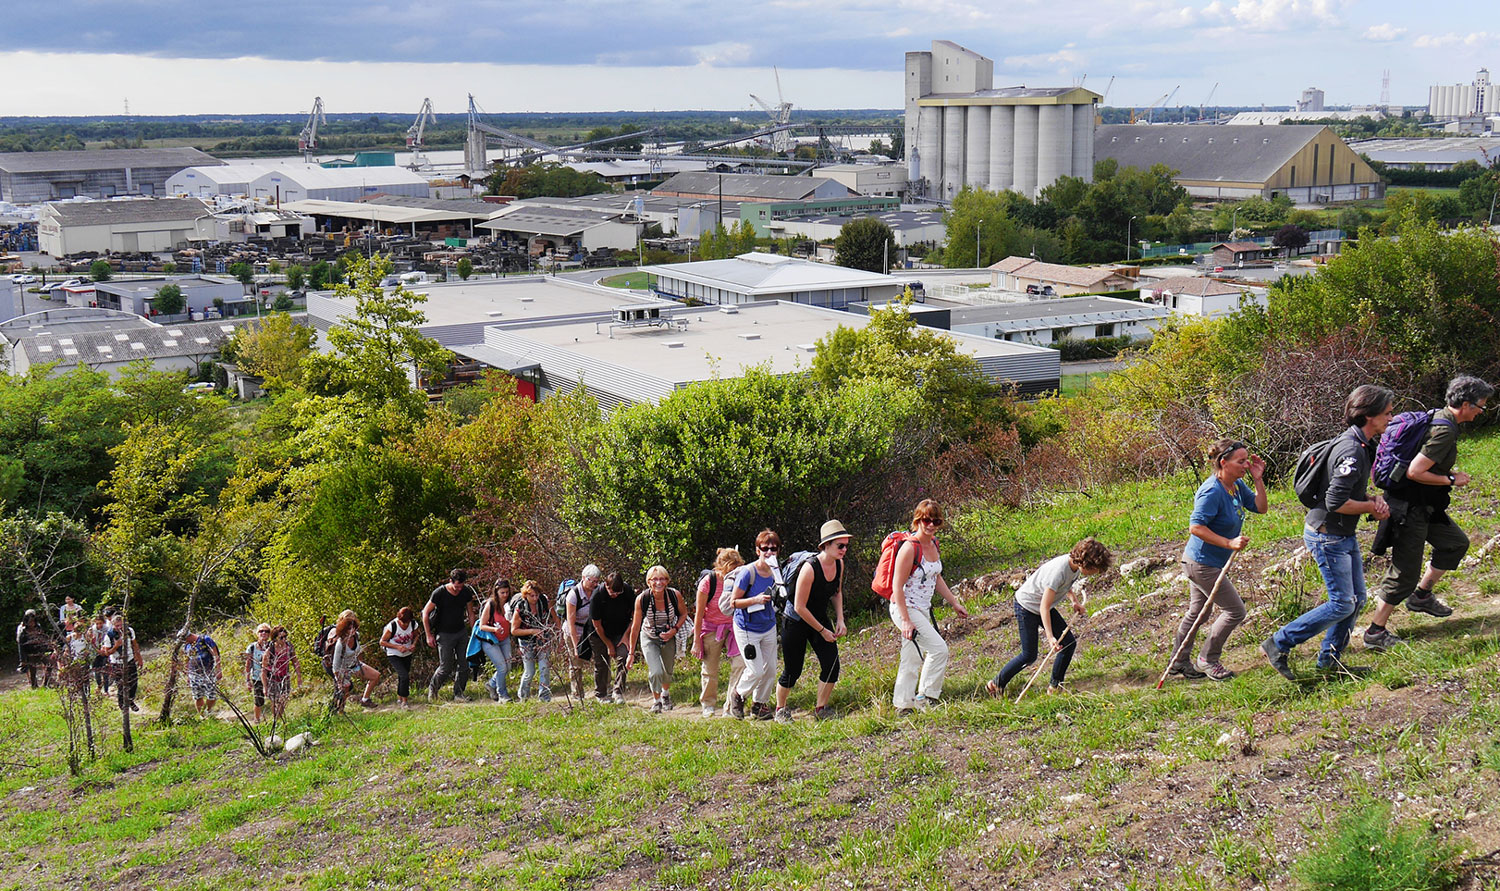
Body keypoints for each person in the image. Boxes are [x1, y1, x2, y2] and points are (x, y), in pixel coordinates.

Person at [1265, 385, 1394, 679]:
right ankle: (1279, 642)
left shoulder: (1359, 444)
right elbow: (1336, 502)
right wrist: (1370, 508)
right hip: (1328, 535)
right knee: (1341, 602)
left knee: (1356, 599)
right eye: (1387, 413)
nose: (1391, 417)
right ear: (1369, 416)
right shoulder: (1351, 449)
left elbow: (1346, 492)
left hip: (1340, 533)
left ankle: (1329, 664)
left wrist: (1372, 499)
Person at [1364, 376, 1493, 651]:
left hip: (1425, 505)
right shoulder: (1444, 429)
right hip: (1408, 508)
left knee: (1455, 543)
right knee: (1404, 573)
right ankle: (1375, 631)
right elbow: (1415, 471)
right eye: (1480, 406)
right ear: (1466, 405)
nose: (1482, 411)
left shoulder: (1440, 418)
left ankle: (1421, 597)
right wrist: (1451, 479)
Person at [1169, 439, 1268, 681]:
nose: (1245, 465)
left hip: (1208, 562)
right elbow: (1196, 527)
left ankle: (1178, 662)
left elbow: (1260, 507)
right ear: (1223, 462)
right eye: (1241, 461)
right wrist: (1229, 543)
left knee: (1198, 613)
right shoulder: (1211, 491)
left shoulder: (1235, 486)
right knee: (1235, 611)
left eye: (1247, 460)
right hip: (1201, 563)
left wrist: (1258, 479)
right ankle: (1207, 659)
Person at [986, 538, 1113, 697]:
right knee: (1029, 656)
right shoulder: (1058, 571)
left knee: (1068, 644)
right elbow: (1043, 607)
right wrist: (1050, 637)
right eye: (1096, 569)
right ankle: (995, 684)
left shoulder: (1074, 567)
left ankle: (1055, 687)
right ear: (1086, 563)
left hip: (1043, 606)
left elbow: (1065, 586)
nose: (1097, 573)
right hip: (1027, 606)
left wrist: (1074, 602)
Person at [889, 500, 971, 714]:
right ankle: (925, 697)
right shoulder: (909, 548)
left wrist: (954, 602)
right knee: (939, 649)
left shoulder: (933, 544)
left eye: (936, 521)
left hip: (922, 608)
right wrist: (906, 620)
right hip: (905, 607)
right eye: (926, 520)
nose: (931, 525)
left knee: (911, 655)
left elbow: (936, 577)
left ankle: (903, 704)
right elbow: (896, 586)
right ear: (918, 520)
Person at [775, 521, 850, 722]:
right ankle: (780, 709)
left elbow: (837, 592)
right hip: (796, 620)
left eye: (846, 545)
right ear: (826, 545)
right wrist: (822, 630)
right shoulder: (809, 568)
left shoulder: (839, 563)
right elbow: (799, 606)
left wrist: (840, 619)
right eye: (840, 546)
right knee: (793, 670)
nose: (844, 550)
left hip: (818, 617)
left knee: (831, 664)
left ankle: (820, 708)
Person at [727, 530, 785, 721]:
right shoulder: (748, 573)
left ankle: (759, 705)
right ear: (757, 550)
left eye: (773, 549)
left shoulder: (777, 571)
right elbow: (733, 603)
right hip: (746, 627)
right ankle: (738, 695)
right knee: (756, 669)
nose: (769, 552)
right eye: (765, 548)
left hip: (768, 625)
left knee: (770, 670)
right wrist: (755, 600)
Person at [626, 566, 689, 713]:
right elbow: (635, 627)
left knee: (667, 669)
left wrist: (674, 630)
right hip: (649, 636)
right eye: (655, 579)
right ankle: (656, 700)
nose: (658, 582)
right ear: (649, 582)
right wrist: (631, 653)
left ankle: (665, 694)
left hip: (669, 636)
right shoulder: (642, 599)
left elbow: (683, 614)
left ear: (667, 581)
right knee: (655, 671)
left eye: (662, 579)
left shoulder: (674, 595)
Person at [693, 547, 746, 718]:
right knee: (710, 668)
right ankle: (708, 704)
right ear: (721, 567)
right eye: (730, 568)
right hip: (711, 628)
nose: (734, 571)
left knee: (740, 664)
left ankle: (731, 706)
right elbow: (699, 614)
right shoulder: (708, 582)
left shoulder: (741, 578)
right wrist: (696, 641)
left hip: (734, 627)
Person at [423, 569, 477, 702]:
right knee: (445, 666)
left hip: (461, 632)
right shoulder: (439, 593)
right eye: (456, 586)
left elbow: (470, 613)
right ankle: (433, 690)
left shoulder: (465, 592)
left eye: (461, 586)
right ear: (450, 581)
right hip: (444, 634)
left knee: (464, 664)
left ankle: (459, 694)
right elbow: (425, 613)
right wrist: (428, 635)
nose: (459, 589)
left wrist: (474, 632)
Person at [590, 572, 635, 704]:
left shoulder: (627, 591)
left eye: (618, 592)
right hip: (599, 633)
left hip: (621, 631)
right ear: (606, 585)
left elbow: (636, 615)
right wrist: (609, 645)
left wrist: (626, 636)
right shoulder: (597, 596)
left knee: (624, 655)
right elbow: (596, 624)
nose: (615, 595)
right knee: (602, 662)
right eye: (612, 592)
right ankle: (601, 694)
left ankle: (618, 691)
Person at [506, 580, 553, 702]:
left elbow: (553, 614)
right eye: (532, 595)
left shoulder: (543, 601)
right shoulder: (520, 607)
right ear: (525, 595)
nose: (535, 598)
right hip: (526, 641)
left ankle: (544, 697)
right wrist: (532, 631)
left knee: (544, 668)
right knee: (529, 671)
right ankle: (523, 696)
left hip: (543, 638)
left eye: (537, 595)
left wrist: (556, 630)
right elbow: (514, 631)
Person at [472, 580, 514, 703]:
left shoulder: (510, 603)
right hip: (490, 640)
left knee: (508, 666)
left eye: (507, 592)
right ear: (496, 592)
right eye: (502, 592)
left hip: (505, 638)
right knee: (501, 668)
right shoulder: (490, 605)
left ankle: (491, 683)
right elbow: (482, 626)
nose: (505, 595)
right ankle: (503, 695)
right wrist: (495, 629)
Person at [564, 565, 601, 701]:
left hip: (591, 629)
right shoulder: (573, 595)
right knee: (576, 664)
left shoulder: (597, 591)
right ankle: (577, 695)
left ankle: (602, 692)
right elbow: (570, 623)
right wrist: (576, 646)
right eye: (593, 581)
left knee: (600, 660)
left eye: (597, 581)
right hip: (575, 630)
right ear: (584, 578)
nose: (595, 584)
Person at [331, 612, 382, 710]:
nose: (352, 630)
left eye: (353, 627)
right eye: (349, 628)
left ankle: (365, 700)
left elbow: (359, 651)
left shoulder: (356, 636)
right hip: (343, 669)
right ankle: (340, 710)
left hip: (355, 664)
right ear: (344, 630)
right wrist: (339, 681)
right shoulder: (340, 644)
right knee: (346, 689)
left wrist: (362, 667)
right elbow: (335, 666)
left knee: (375, 675)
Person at [380, 606, 420, 708]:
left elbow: (416, 635)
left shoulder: (413, 624)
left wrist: (414, 644)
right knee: (404, 676)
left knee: (403, 676)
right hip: (394, 654)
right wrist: (397, 647)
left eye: (407, 622)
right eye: (403, 622)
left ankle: (399, 698)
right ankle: (404, 701)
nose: (405, 624)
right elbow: (382, 641)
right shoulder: (392, 626)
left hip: (407, 653)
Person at [102, 613, 142, 712]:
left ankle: (131, 701)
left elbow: (135, 644)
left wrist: (139, 657)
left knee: (133, 682)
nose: (119, 628)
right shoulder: (109, 635)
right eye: (117, 626)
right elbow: (107, 653)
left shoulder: (129, 631)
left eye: (121, 625)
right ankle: (122, 705)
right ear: (113, 625)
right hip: (117, 662)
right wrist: (116, 646)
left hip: (130, 659)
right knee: (121, 685)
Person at [261, 625, 301, 722]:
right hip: (273, 679)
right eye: (281, 637)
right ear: (275, 639)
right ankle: (276, 720)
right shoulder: (270, 651)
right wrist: (265, 687)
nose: (284, 639)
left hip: (285, 678)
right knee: (275, 701)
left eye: (285, 637)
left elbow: (295, 661)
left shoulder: (289, 647)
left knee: (283, 700)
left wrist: (299, 676)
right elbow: (264, 670)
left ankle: (279, 718)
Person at [183, 631, 223, 717]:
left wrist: (218, 670)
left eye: (185, 639)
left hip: (208, 672)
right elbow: (186, 660)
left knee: (212, 696)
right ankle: (202, 716)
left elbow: (216, 655)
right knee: (197, 696)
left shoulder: (205, 639)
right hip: (194, 674)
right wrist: (187, 675)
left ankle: (208, 711)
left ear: (189, 636)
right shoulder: (187, 646)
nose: (184, 642)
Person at [17, 610, 54, 689]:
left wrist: (48, 648)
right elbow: (21, 646)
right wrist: (22, 660)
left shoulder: (38, 628)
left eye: (33, 621)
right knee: (33, 671)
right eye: (30, 622)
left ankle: (45, 683)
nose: (32, 623)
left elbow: (44, 638)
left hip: (40, 651)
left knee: (49, 664)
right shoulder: (23, 632)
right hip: (30, 653)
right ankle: (34, 686)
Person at [244, 624, 272, 723]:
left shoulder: (272, 646)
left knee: (274, 699)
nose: (263, 633)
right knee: (259, 700)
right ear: (257, 633)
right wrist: (247, 680)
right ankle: (257, 720)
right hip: (257, 677)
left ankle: (275, 720)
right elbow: (248, 664)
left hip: (272, 677)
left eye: (266, 631)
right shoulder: (252, 647)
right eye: (261, 631)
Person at [88, 614, 111, 693]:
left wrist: (104, 650)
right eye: (97, 623)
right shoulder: (92, 630)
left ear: (103, 622)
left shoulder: (107, 629)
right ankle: (99, 685)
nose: (99, 625)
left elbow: (109, 640)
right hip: (95, 652)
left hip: (105, 651)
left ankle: (106, 690)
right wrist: (97, 650)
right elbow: (91, 642)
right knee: (97, 671)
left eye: (100, 623)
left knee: (105, 671)